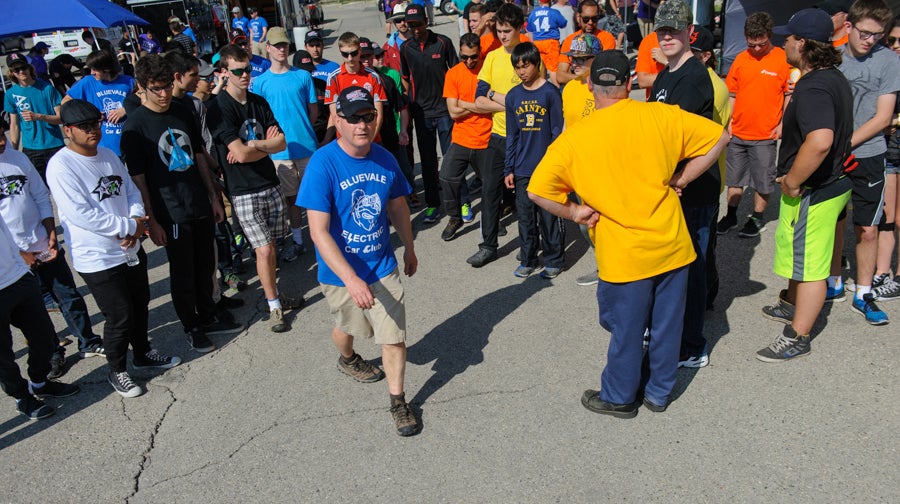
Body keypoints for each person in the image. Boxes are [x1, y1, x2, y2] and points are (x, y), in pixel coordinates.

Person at [527, 50, 728, 416]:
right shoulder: (662, 116)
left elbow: (537, 190)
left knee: (626, 329)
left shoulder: (575, 139)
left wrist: (574, 211)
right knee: (668, 326)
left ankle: (619, 396)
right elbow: (720, 137)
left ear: (590, 86)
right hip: (671, 244)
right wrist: (680, 178)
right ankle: (658, 393)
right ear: (630, 83)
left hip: (624, 253)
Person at [297, 86, 419, 437]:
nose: (361, 125)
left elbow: (397, 205)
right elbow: (318, 232)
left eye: (367, 116)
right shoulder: (323, 163)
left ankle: (398, 402)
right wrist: (350, 278)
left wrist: (409, 247)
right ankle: (348, 358)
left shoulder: (384, 157)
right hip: (341, 273)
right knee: (350, 328)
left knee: (393, 336)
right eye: (353, 118)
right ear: (337, 120)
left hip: (382, 264)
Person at [47, 99, 182, 398]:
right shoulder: (60, 165)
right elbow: (82, 214)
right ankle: (116, 370)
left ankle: (143, 353)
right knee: (119, 315)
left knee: (140, 302)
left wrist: (136, 219)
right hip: (97, 256)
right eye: (84, 127)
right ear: (68, 130)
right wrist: (128, 227)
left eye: (95, 123)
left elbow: (131, 190)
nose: (93, 130)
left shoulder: (107, 154)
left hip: (129, 247)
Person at [122, 55, 241, 354]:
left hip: (198, 201)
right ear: (142, 87)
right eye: (155, 89)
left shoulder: (182, 110)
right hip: (169, 211)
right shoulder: (134, 127)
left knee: (205, 266)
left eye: (166, 87)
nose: (163, 94)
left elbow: (199, 155)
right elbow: (138, 179)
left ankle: (209, 314)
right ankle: (192, 326)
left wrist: (213, 197)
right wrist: (152, 220)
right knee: (183, 272)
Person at [756, 8, 854, 362]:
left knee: (810, 265)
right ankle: (792, 305)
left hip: (816, 189)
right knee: (798, 256)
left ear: (803, 43)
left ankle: (798, 335)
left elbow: (821, 141)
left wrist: (794, 181)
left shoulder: (814, 86)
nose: (783, 42)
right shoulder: (831, 77)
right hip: (829, 185)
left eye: (789, 37)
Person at [207, 45, 304, 333]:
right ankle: (274, 306)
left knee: (273, 247)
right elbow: (238, 152)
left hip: (269, 182)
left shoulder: (259, 102)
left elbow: (281, 143)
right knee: (263, 250)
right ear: (224, 72)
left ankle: (275, 294)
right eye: (238, 71)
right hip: (243, 189)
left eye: (248, 68)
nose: (246, 75)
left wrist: (253, 146)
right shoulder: (218, 108)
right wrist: (261, 146)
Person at [0, 121, 105, 366]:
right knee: (34, 311)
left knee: (68, 295)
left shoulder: (18, 158)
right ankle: (52, 353)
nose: (2, 141)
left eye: (2, 135)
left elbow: (39, 194)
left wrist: (50, 234)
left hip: (44, 245)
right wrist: (20, 252)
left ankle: (87, 341)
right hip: (14, 260)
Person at [648, 0, 716, 369]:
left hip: (692, 189)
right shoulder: (667, 72)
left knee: (689, 268)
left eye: (674, 30)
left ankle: (692, 345)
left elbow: (691, 140)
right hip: (671, 187)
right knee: (672, 266)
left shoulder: (691, 77)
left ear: (690, 32)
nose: (668, 36)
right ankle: (669, 329)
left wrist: (680, 178)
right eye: (662, 30)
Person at [834, 0, 900, 322]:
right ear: (848, 26)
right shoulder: (831, 58)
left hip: (869, 155)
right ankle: (832, 281)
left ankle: (863, 293)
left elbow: (883, 117)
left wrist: (844, 145)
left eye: (877, 34)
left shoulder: (889, 61)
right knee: (833, 221)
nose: (870, 40)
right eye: (864, 32)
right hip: (831, 156)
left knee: (868, 228)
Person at [0, 212, 80, 420]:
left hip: (17, 279)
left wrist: (21, 268)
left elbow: (5, 233)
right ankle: (21, 396)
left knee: (45, 337)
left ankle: (40, 382)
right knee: (3, 356)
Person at [717, 12, 791, 238]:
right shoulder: (741, 59)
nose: (757, 49)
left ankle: (757, 218)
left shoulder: (783, 59)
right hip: (738, 131)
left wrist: (782, 124)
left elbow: (789, 95)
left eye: (761, 44)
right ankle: (731, 216)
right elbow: (732, 94)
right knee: (734, 178)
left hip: (765, 133)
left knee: (763, 179)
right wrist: (728, 122)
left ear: (769, 36)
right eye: (752, 44)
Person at [252, 27, 319, 263]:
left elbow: (313, 110)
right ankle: (299, 241)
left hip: (307, 148)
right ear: (267, 47)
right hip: (279, 153)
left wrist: (303, 130)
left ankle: (323, 239)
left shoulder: (302, 76)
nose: (282, 49)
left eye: (285, 45)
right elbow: (258, 118)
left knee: (316, 197)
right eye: (277, 45)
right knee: (291, 199)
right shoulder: (259, 83)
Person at [470, 2, 526, 268]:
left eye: (507, 31)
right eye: (499, 30)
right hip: (498, 136)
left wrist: (500, 98)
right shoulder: (492, 57)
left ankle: (529, 246)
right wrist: (510, 102)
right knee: (489, 192)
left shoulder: (530, 54)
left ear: (519, 28)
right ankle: (488, 246)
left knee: (527, 197)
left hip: (526, 138)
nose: (502, 36)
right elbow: (479, 99)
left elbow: (535, 98)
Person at [504, 42, 564, 279]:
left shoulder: (550, 93)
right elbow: (512, 134)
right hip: (521, 169)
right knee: (526, 219)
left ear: (536, 63)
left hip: (546, 168)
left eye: (525, 65)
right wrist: (509, 167)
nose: (521, 71)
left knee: (548, 217)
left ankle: (554, 260)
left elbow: (557, 132)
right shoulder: (513, 96)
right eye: (517, 67)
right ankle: (528, 259)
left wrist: (555, 166)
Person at [400, 4, 460, 224]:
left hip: (444, 111)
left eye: (418, 24)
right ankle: (433, 205)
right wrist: (407, 107)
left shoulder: (443, 42)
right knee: (427, 162)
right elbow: (405, 78)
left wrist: (455, 105)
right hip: (421, 114)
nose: (415, 29)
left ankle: (459, 202)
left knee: (452, 159)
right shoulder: (406, 48)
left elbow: (455, 74)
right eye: (411, 25)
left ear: (427, 21)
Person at [440, 33, 493, 241]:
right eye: (465, 57)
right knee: (446, 176)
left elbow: (496, 106)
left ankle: (492, 218)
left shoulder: (488, 70)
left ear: (480, 52)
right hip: (461, 138)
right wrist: (479, 106)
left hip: (487, 138)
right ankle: (455, 217)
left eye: (473, 57)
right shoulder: (453, 74)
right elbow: (453, 112)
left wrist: (464, 103)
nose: (469, 61)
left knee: (490, 184)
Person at [62, 50, 135, 158]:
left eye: (95, 69)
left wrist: (125, 109)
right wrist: (89, 112)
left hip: (130, 141)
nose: (92, 72)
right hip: (104, 146)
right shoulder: (87, 82)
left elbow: (144, 100)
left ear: (107, 68)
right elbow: (65, 102)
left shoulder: (129, 81)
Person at [3, 54, 65, 182]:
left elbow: (61, 118)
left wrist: (39, 117)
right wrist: (14, 151)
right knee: (38, 187)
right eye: (16, 70)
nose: (21, 71)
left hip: (54, 144)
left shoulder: (47, 88)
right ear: (12, 73)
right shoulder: (10, 94)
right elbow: (14, 125)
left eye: (23, 67)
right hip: (31, 149)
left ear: (29, 68)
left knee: (62, 182)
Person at [876, 17, 900, 300]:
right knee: (886, 216)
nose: (895, 47)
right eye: (891, 40)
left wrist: (894, 118)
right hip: (886, 149)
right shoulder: (885, 67)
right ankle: (882, 273)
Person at [325, 33, 387, 139]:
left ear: (360, 51)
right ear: (340, 52)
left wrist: (370, 140)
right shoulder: (334, 78)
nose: (350, 58)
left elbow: (379, 114)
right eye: (345, 54)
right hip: (345, 140)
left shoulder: (373, 76)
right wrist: (349, 142)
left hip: (371, 137)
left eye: (354, 53)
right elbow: (335, 116)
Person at [557, 0, 616, 85]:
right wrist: (585, 78)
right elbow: (560, 76)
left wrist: (572, 76)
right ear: (578, 18)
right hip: (575, 87)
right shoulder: (570, 40)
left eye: (594, 19)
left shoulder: (607, 38)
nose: (590, 23)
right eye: (586, 19)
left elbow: (603, 72)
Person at [560, 33, 601, 127]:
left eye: (581, 59)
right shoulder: (569, 87)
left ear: (596, 58)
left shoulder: (605, 88)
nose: (574, 64)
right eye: (573, 58)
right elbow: (566, 125)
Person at [527, 0, 568, 84]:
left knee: (541, 67)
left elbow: (529, 29)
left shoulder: (533, 13)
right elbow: (563, 23)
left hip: (537, 42)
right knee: (553, 68)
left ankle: (542, 88)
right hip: (551, 43)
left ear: (539, 1)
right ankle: (556, 87)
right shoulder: (554, 12)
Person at [384, 3, 413, 75]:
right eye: (398, 20)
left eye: (404, 19)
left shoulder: (420, 40)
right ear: (394, 23)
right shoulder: (387, 47)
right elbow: (384, 70)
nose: (402, 23)